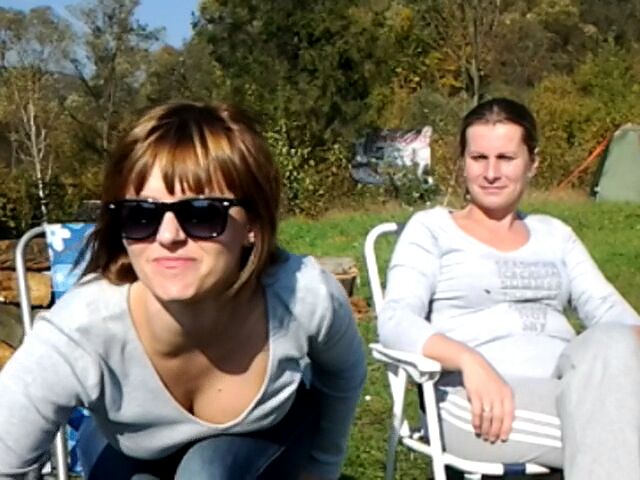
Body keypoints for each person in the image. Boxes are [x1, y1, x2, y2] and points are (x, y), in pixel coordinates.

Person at [0, 101, 366, 480]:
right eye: (141, 215)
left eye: (202, 213)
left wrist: (322, 469)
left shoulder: (303, 295)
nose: (168, 236)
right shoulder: (79, 334)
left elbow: (343, 374)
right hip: (131, 447)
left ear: (253, 224)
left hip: (268, 435)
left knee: (206, 471)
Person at [378, 97, 640, 480]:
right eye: (478, 158)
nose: (491, 173)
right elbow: (395, 319)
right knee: (617, 429)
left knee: (611, 341)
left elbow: (615, 316)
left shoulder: (555, 235)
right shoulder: (433, 230)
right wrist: (470, 361)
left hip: (571, 387)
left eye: (506, 158)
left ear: (533, 163)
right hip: (479, 402)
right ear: (462, 162)